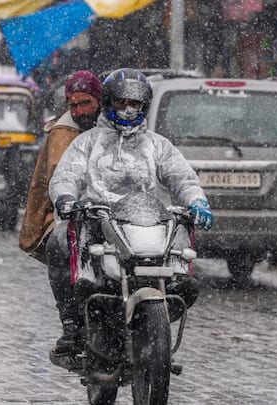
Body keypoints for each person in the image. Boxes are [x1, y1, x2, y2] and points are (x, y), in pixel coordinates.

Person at [46, 68, 214, 356]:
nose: (127, 110)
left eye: (133, 104)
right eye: (121, 103)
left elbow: (182, 178)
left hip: (147, 225)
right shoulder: (88, 142)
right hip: (99, 223)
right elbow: (66, 175)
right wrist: (65, 198)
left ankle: (168, 298)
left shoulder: (158, 145)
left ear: (143, 106)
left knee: (182, 255)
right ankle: (72, 325)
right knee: (58, 241)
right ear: (109, 103)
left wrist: (197, 202)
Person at [19, 70, 103, 263]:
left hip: (110, 210)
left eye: (85, 103)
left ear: (98, 101)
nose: (79, 111)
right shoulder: (64, 133)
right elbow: (58, 178)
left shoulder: (112, 127)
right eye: (74, 105)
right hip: (71, 213)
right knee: (65, 251)